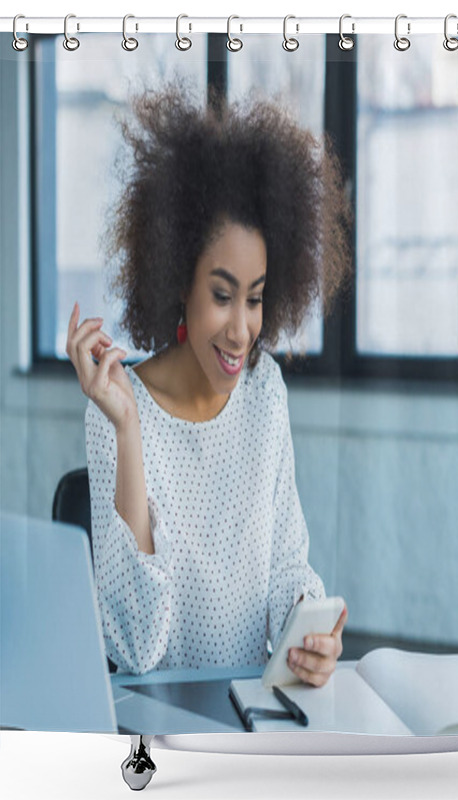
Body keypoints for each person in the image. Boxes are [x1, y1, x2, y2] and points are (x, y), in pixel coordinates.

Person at [65, 81, 352, 683]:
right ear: (177, 279)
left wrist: (310, 627)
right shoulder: (115, 409)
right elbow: (137, 646)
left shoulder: (264, 392)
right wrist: (128, 431)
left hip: (255, 717)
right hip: (158, 730)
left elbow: (286, 569)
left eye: (256, 298)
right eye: (222, 296)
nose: (243, 329)